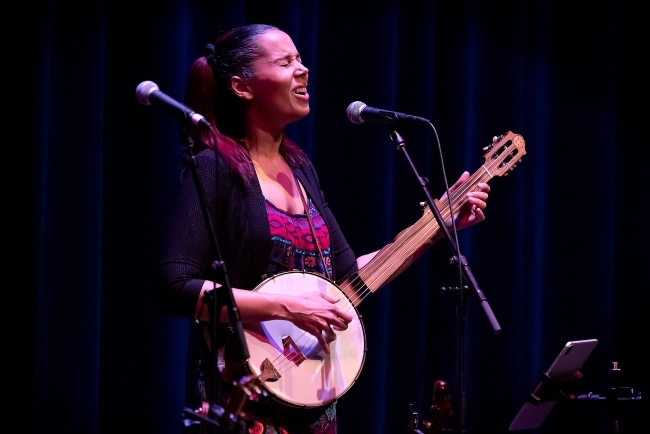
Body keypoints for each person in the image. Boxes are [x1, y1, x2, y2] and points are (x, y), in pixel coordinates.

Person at [158, 23, 490, 434]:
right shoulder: (213, 167)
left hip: (311, 398)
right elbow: (175, 286)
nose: (303, 70)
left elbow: (349, 275)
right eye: (285, 62)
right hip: (243, 396)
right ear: (242, 87)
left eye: (300, 58)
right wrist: (289, 307)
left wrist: (436, 227)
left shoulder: (300, 169)